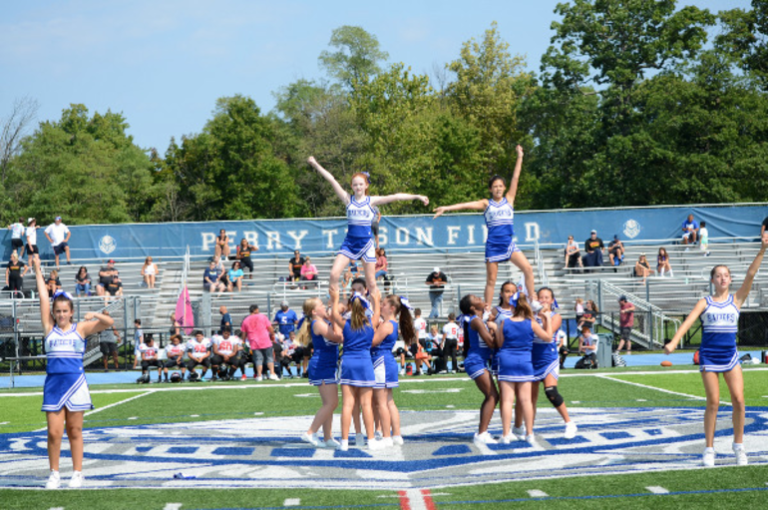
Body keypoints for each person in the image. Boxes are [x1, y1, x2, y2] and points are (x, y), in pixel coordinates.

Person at [664, 235, 767, 467]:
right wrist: (673, 343)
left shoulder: (737, 300)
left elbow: (751, 274)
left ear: (730, 280)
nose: (722, 278)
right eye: (718, 275)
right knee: (713, 402)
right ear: (712, 280)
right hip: (709, 357)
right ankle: (709, 449)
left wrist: (762, 250)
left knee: (739, 401)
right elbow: (688, 322)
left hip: (730, 357)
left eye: (726, 275)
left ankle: (739, 447)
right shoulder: (705, 302)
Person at [34, 256, 113, 489]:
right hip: (53, 385)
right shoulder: (49, 328)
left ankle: (78, 473)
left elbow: (109, 322)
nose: (60, 314)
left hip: (76, 384)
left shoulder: (81, 328)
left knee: (75, 430)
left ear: (71, 312)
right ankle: (54, 474)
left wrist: (95, 315)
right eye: (57, 311)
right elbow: (42, 297)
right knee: (53, 432)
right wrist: (38, 269)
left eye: (64, 311)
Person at [307, 156, 429, 299]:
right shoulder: (348, 200)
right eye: (355, 185)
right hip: (350, 244)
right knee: (334, 274)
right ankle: (333, 308)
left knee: (371, 282)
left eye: (360, 184)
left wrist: (417, 196)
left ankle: (375, 312)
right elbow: (332, 180)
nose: (358, 187)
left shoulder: (371, 201)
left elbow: (396, 196)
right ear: (352, 186)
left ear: (366, 186)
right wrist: (315, 164)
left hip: (366, 245)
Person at [433, 146, 534, 305]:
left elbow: (516, 177)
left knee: (528, 269)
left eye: (500, 186)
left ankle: (532, 300)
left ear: (504, 188)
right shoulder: (486, 204)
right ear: (490, 189)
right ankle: (487, 309)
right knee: (491, 280)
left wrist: (520, 156)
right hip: (493, 246)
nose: (498, 188)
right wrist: (446, 208)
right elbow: (465, 205)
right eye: (495, 186)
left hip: (508, 244)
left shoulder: (510, 199)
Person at [328, 287, 383, 451]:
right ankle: (371, 440)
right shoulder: (370, 324)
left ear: (351, 307)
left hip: (348, 364)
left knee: (347, 405)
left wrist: (335, 298)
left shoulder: (345, 324)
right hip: (365, 364)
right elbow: (378, 312)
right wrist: (376, 299)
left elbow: (333, 315)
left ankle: (344, 442)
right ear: (365, 308)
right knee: (366, 405)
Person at [495, 291, 551, 444]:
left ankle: (506, 434)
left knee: (507, 401)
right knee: (526, 400)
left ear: (512, 307)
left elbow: (499, 343)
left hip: (506, 360)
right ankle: (530, 433)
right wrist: (547, 319)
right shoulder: (531, 322)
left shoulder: (505, 322)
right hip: (525, 361)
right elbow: (548, 337)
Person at [526, 288, 577, 439]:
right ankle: (529, 429)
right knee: (530, 398)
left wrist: (544, 316)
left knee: (551, 392)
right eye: (540, 297)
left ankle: (569, 423)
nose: (543, 300)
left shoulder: (556, 316)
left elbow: (546, 335)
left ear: (552, 300)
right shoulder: (530, 316)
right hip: (532, 358)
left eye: (547, 297)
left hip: (548, 358)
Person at [298, 297, 343, 447]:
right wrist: (335, 318)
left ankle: (328, 437)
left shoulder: (323, 322)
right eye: (322, 305)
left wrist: (333, 315)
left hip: (328, 365)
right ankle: (310, 432)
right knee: (332, 403)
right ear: (314, 311)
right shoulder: (318, 324)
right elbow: (338, 337)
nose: (325, 307)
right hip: (322, 365)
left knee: (328, 403)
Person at [371, 295, 414, 447]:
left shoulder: (388, 324)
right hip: (386, 360)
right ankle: (396, 435)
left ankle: (386, 436)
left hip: (381, 361)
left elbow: (372, 342)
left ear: (392, 308)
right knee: (389, 401)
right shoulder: (392, 324)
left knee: (381, 402)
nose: (381, 306)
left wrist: (371, 328)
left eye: (383, 304)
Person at [458, 294, 499, 446]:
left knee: (492, 395)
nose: (481, 298)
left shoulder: (477, 320)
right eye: (477, 299)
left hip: (478, 361)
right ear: (472, 308)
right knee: (492, 395)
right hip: (475, 361)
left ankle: (482, 431)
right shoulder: (476, 321)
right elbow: (491, 343)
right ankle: (481, 433)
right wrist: (497, 329)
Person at [241, 304, 279, 381]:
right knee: (269, 358)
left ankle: (259, 375)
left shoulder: (245, 320)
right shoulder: (262, 317)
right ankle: (272, 373)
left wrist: (243, 341)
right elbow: (270, 327)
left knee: (258, 359)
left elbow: (244, 333)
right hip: (265, 340)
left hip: (254, 342)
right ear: (255, 310)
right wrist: (272, 334)